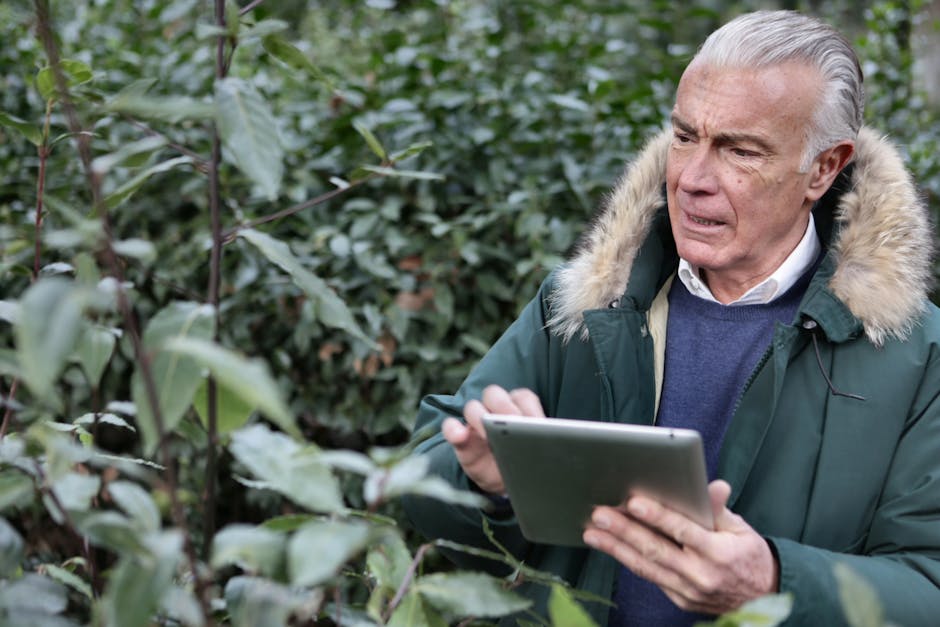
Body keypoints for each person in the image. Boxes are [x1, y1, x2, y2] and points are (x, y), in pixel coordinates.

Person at [402, 10, 940, 626]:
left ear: (822, 168)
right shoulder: (586, 308)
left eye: (740, 150)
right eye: (685, 136)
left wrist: (773, 581)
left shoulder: (917, 357)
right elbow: (421, 478)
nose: (692, 179)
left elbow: (928, 585)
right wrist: (484, 484)